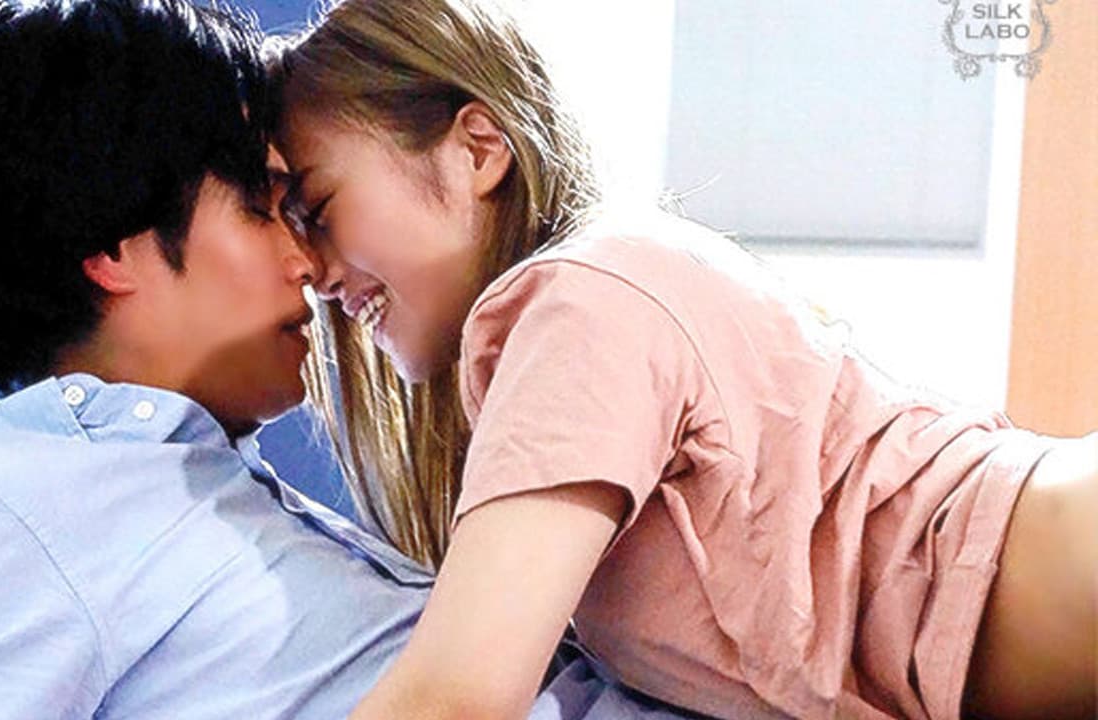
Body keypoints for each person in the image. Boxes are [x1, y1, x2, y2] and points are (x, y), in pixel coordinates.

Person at [0, 2, 698, 718]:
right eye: (261, 206)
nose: (309, 264)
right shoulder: (1, 520)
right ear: (114, 247)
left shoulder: (201, 492)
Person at [267, 0, 1098, 718]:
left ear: (479, 148)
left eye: (322, 210)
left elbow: (455, 698)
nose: (316, 273)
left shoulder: (574, 304)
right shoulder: (593, 302)